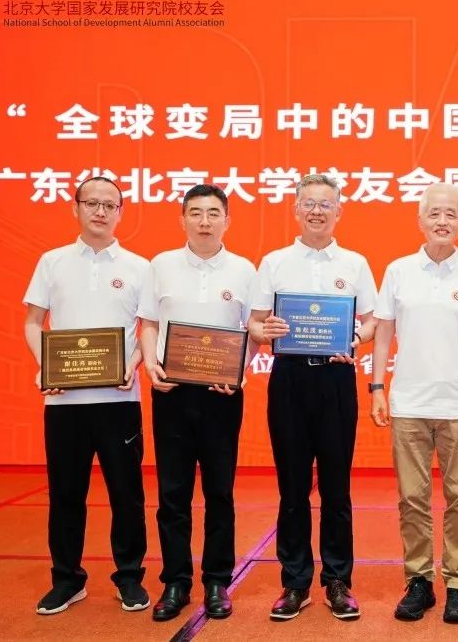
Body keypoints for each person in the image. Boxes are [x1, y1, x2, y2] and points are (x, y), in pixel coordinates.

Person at [370, 183, 458, 624]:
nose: (442, 221)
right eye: (434, 214)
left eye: (451, 214)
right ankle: (419, 581)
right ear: (420, 220)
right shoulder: (398, 271)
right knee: (412, 498)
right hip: (409, 402)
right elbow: (383, 331)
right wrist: (377, 387)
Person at [248, 173, 377, 621]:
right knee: (292, 487)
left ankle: (338, 580)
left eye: (325, 204)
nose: (317, 211)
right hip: (289, 380)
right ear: (296, 209)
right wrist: (266, 330)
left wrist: (354, 338)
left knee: (337, 488)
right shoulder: (275, 262)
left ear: (339, 211)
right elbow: (255, 323)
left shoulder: (355, 263)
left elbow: (372, 322)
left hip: (337, 379)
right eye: (309, 203)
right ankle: (295, 582)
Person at [23, 177, 150, 615]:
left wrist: (134, 364)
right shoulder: (52, 262)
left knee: (127, 494)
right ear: (75, 207)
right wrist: (45, 367)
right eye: (92, 203)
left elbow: (147, 329)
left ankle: (129, 577)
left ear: (121, 212)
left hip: (120, 401)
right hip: (64, 403)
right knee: (65, 494)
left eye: (109, 205)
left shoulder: (139, 267)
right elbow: (33, 322)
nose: (100, 211)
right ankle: (67, 579)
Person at [138, 184, 258, 622]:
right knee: (173, 492)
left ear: (227, 220)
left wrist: (239, 371)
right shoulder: (161, 265)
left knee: (219, 492)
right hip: (171, 392)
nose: (204, 221)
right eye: (195, 213)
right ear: (182, 219)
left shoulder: (244, 270)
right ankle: (175, 581)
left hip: (221, 396)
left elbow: (253, 330)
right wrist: (151, 365)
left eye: (212, 213)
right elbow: (149, 323)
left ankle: (217, 580)